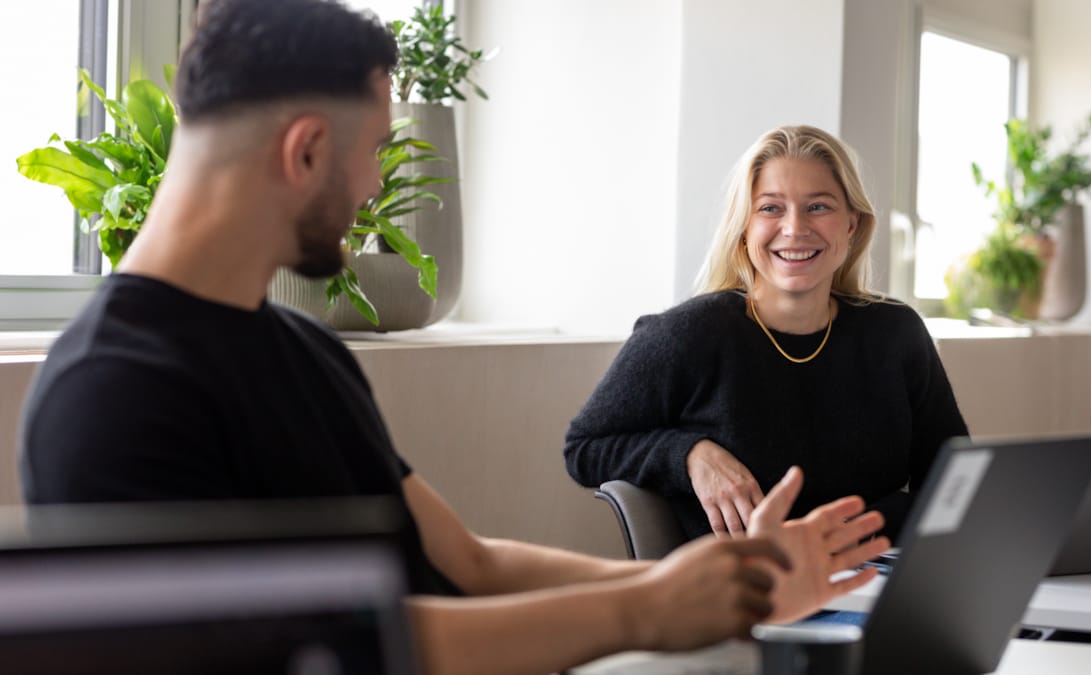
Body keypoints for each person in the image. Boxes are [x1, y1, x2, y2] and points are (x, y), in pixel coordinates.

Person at [18, 3, 889, 674]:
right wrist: (648, 609)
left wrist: (729, 582)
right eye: (375, 153)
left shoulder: (302, 351)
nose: (373, 187)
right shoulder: (112, 392)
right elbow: (319, 651)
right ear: (306, 151)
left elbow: (467, 560)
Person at [564, 125, 968, 544]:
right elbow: (584, 448)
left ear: (851, 223)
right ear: (743, 228)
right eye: (771, 209)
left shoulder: (896, 333)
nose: (794, 228)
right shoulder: (688, 336)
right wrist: (687, 455)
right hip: (747, 590)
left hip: (876, 575)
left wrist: (873, 526)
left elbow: (953, 480)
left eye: (818, 207)